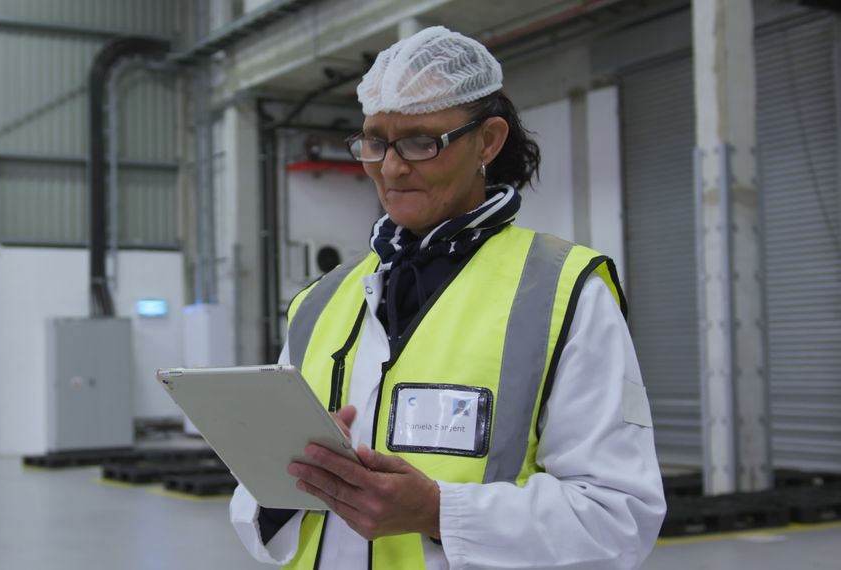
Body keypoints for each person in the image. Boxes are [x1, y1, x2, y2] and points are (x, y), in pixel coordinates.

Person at [230, 25, 666, 570]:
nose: (390, 167)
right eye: (374, 142)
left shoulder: (564, 292)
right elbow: (255, 503)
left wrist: (439, 512)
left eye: (421, 141)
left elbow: (618, 517)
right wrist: (297, 473)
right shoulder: (319, 302)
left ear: (488, 140)